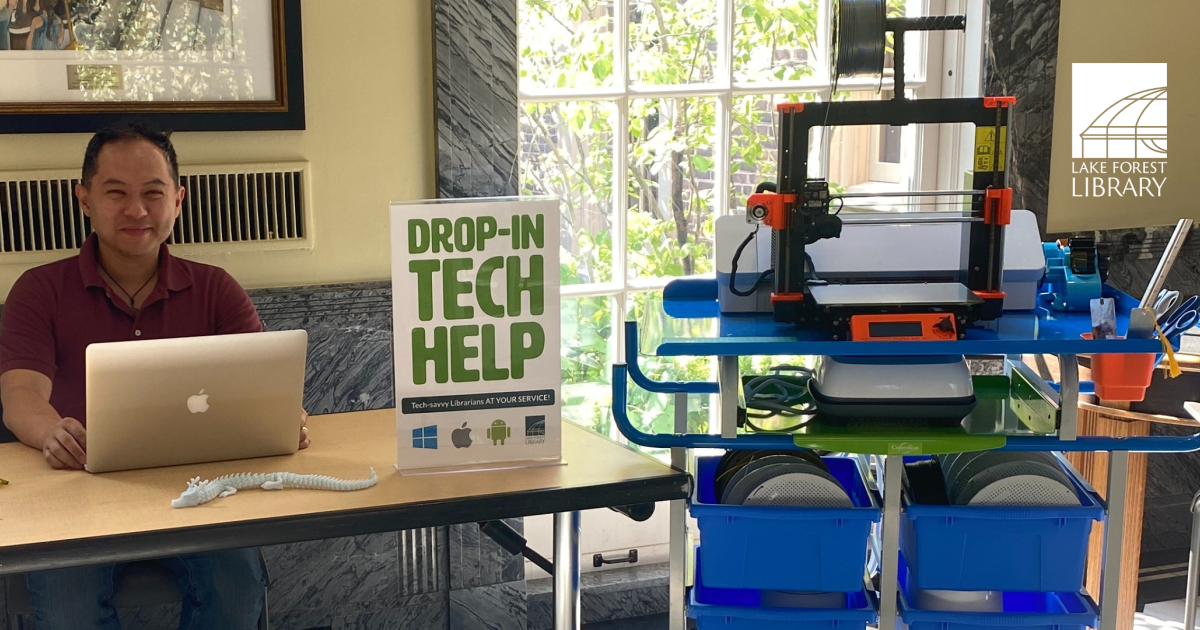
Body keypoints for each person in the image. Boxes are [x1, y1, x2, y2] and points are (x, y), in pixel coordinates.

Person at [0, 122, 310, 630]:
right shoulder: (39, 290)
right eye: (116, 193)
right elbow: (20, 394)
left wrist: (282, 420)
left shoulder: (216, 290)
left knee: (237, 587)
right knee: (69, 605)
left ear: (178, 200)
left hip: (196, 490)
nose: (137, 210)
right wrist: (52, 432)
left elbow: (265, 390)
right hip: (74, 491)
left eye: (153, 193)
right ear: (84, 199)